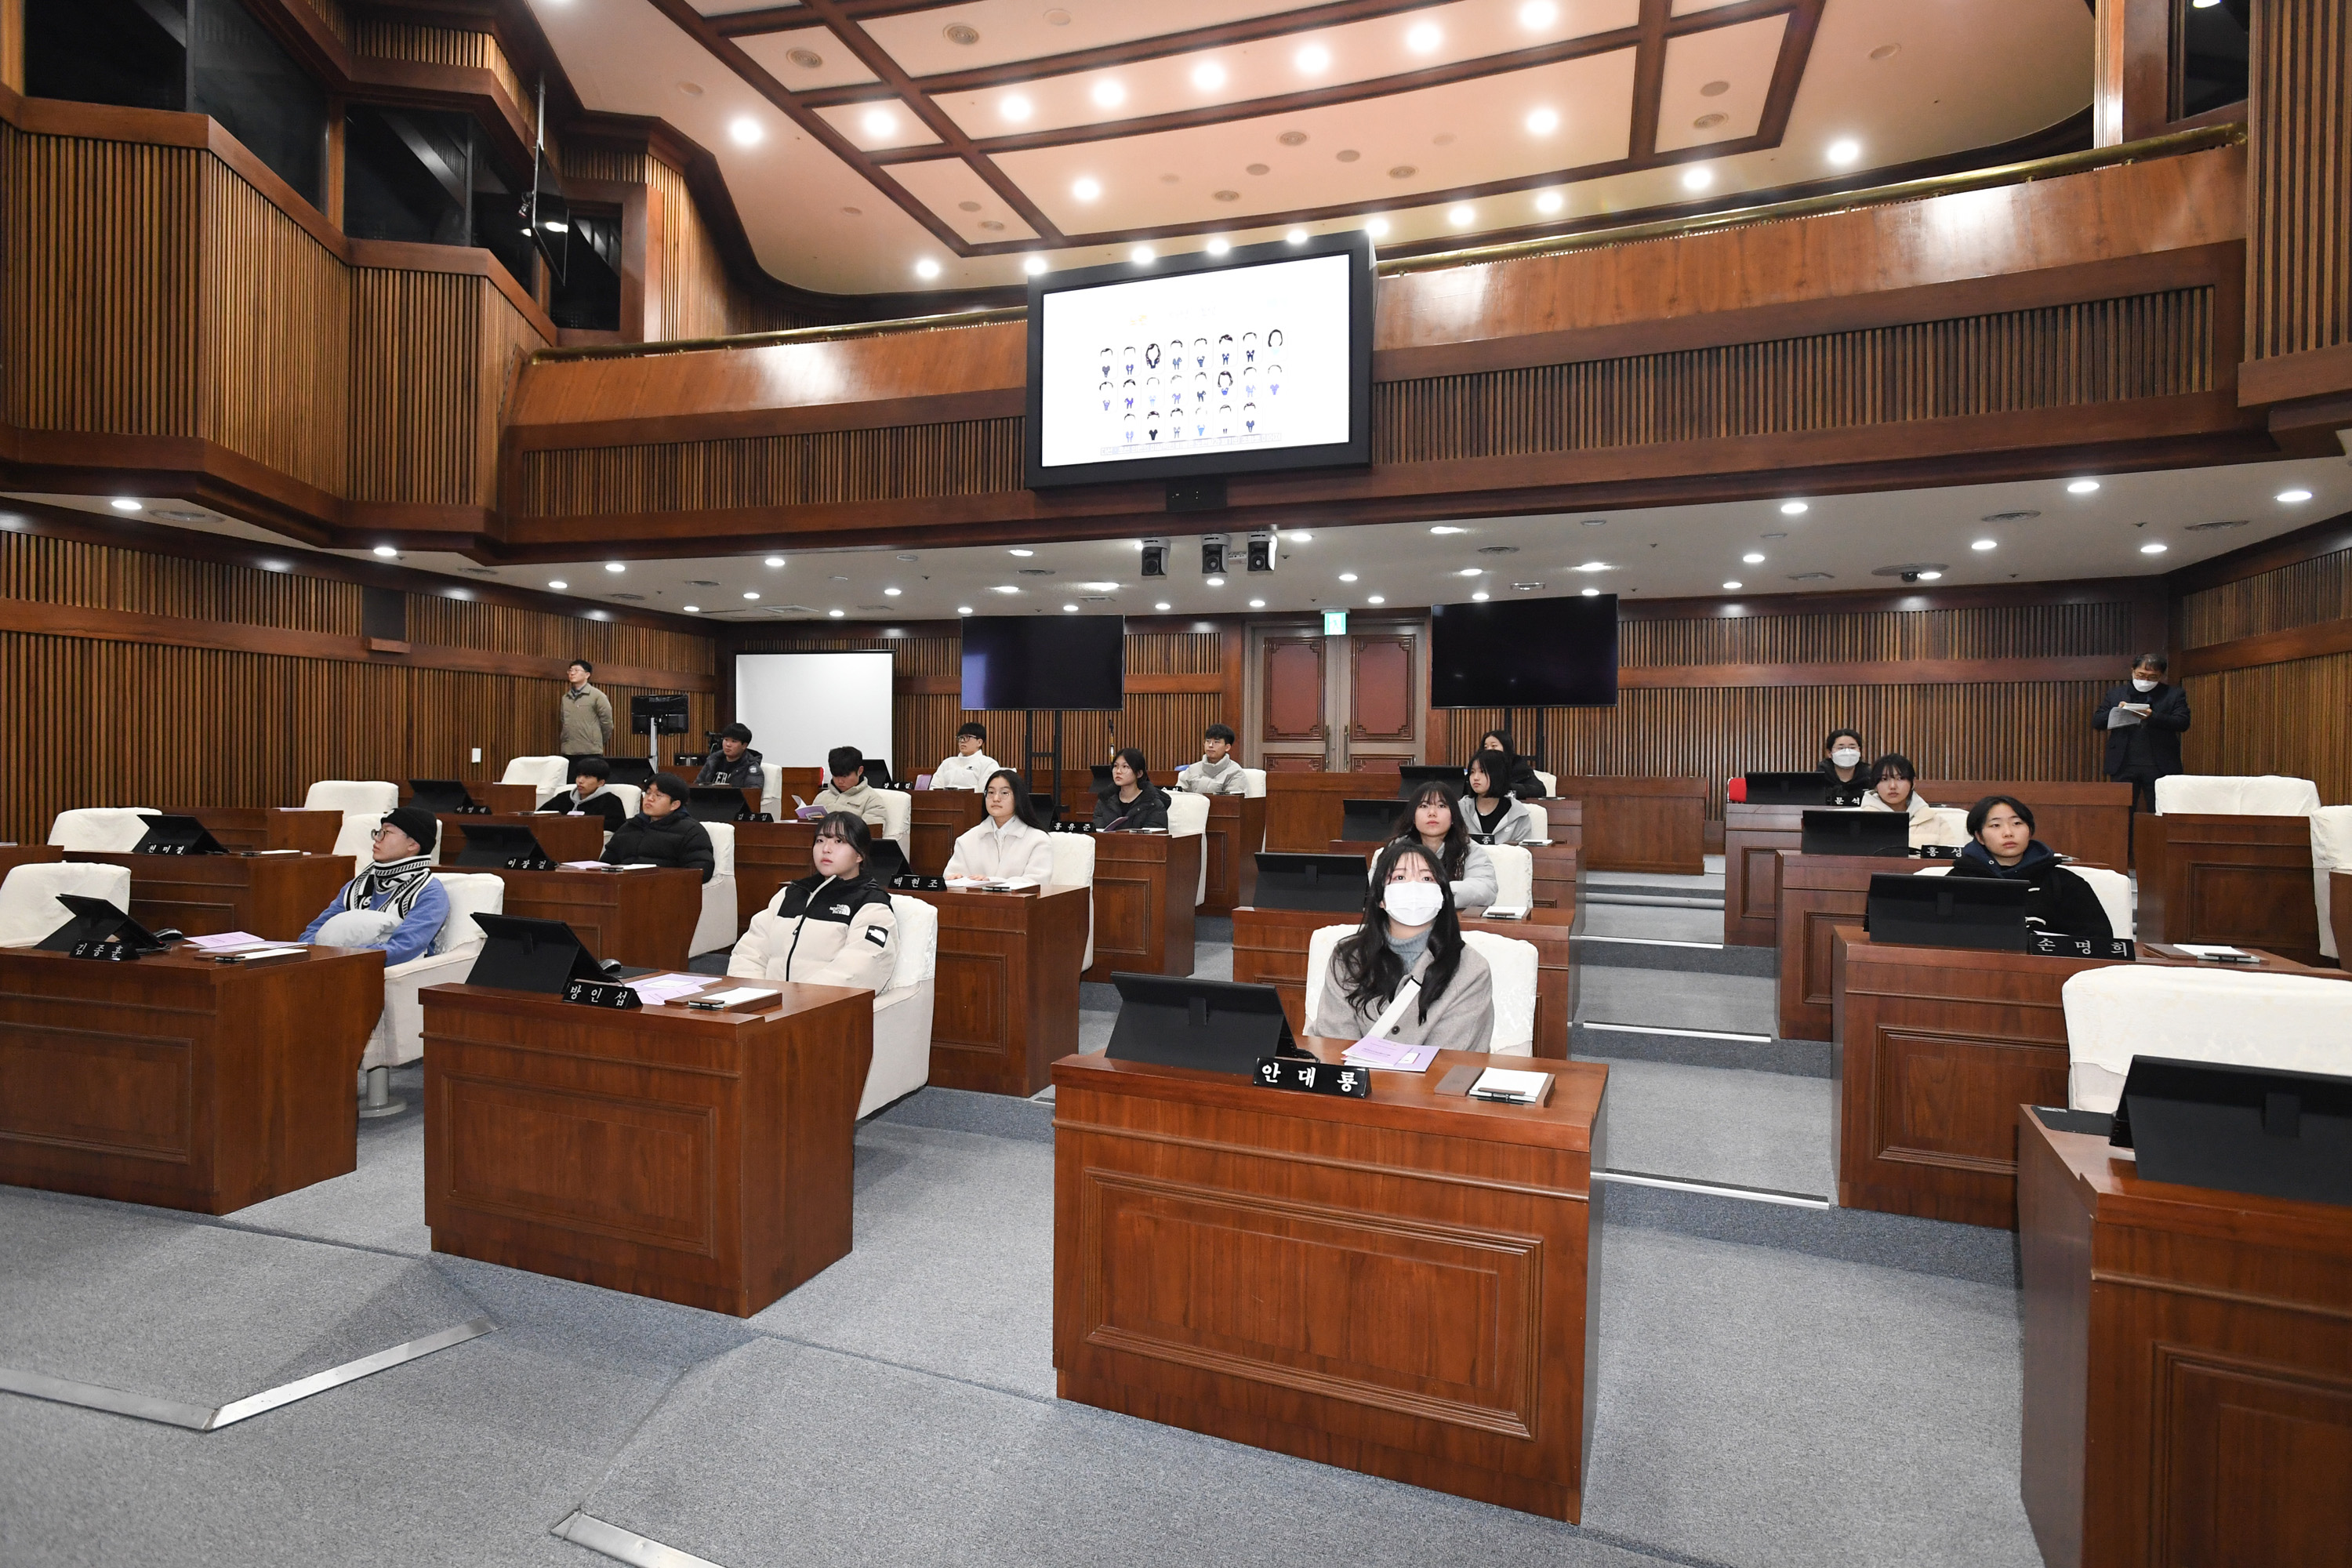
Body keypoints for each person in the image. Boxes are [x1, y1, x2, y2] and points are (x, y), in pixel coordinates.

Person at [1306, 839, 1495, 1051]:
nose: (1413, 887)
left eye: (1426, 878)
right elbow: (1335, 1042)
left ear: (1442, 896)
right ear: (1381, 899)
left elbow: (1450, 1060)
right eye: (1400, 877)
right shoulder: (1348, 958)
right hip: (1355, 1081)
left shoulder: (1472, 970)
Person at [728, 812, 898, 989]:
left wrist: (802, 998)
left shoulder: (871, 903)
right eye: (820, 841)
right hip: (770, 1005)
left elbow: (864, 963)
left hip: (820, 1007)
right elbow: (749, 952)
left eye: (838, 841)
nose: (826, 849)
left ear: (859, 855)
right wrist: (753, 993)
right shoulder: (790, 894)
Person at [1947, 795, 2114, 939]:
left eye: (2017, 823)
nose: (2008, 833)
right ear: (1979, 837)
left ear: (2030, 831)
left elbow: (2098, 940)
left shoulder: (2064, 882)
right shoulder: (1958, 881)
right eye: (1995, 825)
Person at [298, 808, 450, 964]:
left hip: (379, 972)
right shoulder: (357, 886)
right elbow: (313, 931)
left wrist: (339, 956)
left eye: (387, 833)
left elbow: (405, 948)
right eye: (378, 832)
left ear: (412, 844)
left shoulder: (429, 892)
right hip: (335, 964)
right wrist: (312, 954)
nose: (377, 838)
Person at [2093, 653, 2191, 811]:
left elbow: (2182, 723)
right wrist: (2117, 711)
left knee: (2159, 812)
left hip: (2159, 765)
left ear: (2161, 676)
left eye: (2153, 677)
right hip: (2123, 763)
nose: (2145, 681)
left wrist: (2153, 716)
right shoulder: (2116, 694)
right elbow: (2097, 722)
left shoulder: (2173, 695)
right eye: (2141, 675)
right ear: (2133, 671)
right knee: (2122, 814)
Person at [1392, 779, 1498, 909]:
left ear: (1453, 816)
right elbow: (1376, 888)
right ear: (1413, 817)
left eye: (1441, 806)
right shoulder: (1396, 848)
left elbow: (1485, 888)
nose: (1432, 813)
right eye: (1424, 806)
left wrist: (1435, 890)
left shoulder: (1469, 849)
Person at [944, 769, 1056, 881]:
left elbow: (1038, 882)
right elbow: (951, 876)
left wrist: (991, 882)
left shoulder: (1038, 840)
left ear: (1018, 797)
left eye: (1004, 793)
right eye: (991, 793)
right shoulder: (967, 840)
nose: (996, 799)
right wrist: (955, 879)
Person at [602, 774, 714, 882]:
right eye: (648, 793)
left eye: (658, 795)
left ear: (674, 805)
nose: (650, 799)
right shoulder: (631, 826)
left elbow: (701, 871)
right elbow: (606, 863)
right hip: (622, 887)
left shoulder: (691, 831)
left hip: (661, 890)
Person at [1857, 753, 1967, 849]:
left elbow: (1946, 861)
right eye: (1884, 779)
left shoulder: (1934, 820)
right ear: (1875, 785)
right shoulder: (1859, 820)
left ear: (1913, 783)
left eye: (1900, 778)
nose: (1892, 786)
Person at [1460, 752, 1541, 845]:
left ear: (1498, 775)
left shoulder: (1519, 815)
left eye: (1482, 772)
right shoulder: (1460, 810)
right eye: (1472, 772)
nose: (1475, 778)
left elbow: (1522, 854)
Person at [536, 754, 626, 832]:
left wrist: (582, 822)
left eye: (587, 777)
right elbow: (541, 814)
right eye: (579, 776)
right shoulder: (564, 797)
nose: (580, 781)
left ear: (601, 783)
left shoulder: (610, 800)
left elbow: (618, 825)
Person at [813, 745, 889, 829]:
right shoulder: (821, 797)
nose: (840, 781)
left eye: (845, 776)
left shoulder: (872, 800)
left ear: (860, 771)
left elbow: (871, 832)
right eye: (835, 776)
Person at [1094, 747, 1169, 830]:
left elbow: (1153, 839)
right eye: (1115, 766)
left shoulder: (1153, 804)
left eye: (1125, 767)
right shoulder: (1105, 801)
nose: (1118, 771)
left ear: (1139, 774)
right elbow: (1097, 833)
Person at [559, 659, 614, 772]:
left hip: (590, 752)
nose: (572, 673)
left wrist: (595, 740)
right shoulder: (566, 698)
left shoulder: (597, 696)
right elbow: (564, 720)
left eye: (576, 670)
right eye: (570, 670)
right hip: (569, 751)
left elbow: (607, 723)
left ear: (587, 675)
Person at [1177, 724, 1247, 795]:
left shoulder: (1235, 772)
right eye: (1208, 741)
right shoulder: (1193, 769)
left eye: (1216, 742)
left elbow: (1233, 802)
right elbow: (1179, 795)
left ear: (1227, 747)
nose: (1210, 745)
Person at [1476, 730, 1547, 800]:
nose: (1489, 750)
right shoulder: (1478, 767)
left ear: (1506, 747)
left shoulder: (1518, 766)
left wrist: (1507, 788)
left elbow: (1540, 790)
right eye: (1485, 747)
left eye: (1494, 746)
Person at [930, 723, 1000, 791]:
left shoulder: (988, 764)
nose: (962, 741)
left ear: (979, 742)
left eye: (967, 738)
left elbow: (987, 792)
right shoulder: (947, 763)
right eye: (960, 738)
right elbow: (934, 788)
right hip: (945, 801)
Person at [695, 724, 765, 790]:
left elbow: (752, 795)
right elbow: (697, 785)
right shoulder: (713, 760)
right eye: (726, 740)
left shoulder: (751, 768)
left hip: (733, 802)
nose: (728, 744)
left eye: (734, 741)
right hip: (707, 801)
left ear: (744, 745)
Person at [1817, 728, 1868, 804]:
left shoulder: (1870, 779)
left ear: (1859, 751)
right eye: (1841, 748)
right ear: (1829, 753)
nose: (1847, 752)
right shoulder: (1819, 780)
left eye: (1852, 747)